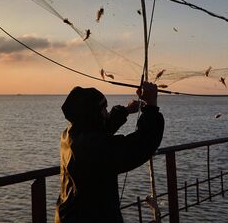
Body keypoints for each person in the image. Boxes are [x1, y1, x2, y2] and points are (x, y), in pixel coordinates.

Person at [55, 82, 164, 223]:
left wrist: (125, 110)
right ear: (94, 113)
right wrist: (151, 106)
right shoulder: (94, 147)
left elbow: (100, 128)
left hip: (68, 215)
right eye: (104, 109)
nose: (106, 113)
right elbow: (141, 144)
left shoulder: (71, 135)